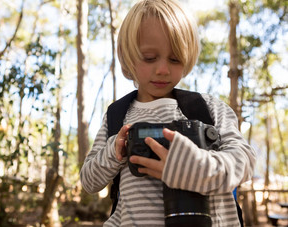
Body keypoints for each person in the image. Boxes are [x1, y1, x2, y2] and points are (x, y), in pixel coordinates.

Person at [80, 0, 256, 226]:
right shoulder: (117, 116)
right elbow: (88, 182)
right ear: (128, 57)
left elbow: (245, 161)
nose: (162, 69)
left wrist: (195, 167)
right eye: (149, 58)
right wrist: (114, 151)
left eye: (175, 59)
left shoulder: (209, 109)